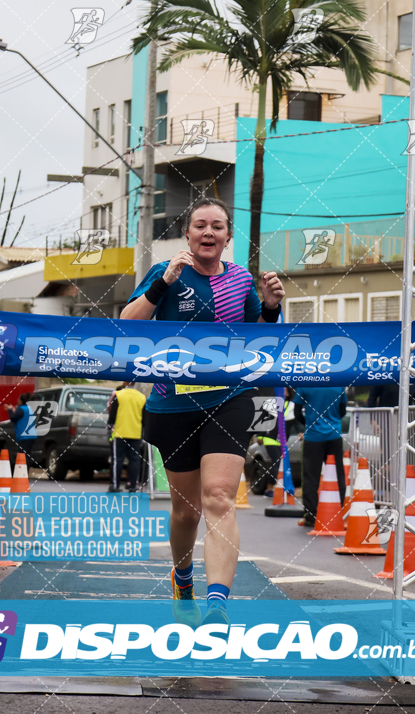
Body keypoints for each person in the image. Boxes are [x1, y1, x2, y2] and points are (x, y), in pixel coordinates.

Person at [121, 197, 285, 628]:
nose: (208, 232)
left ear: (228, 237)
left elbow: (260, 339)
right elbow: (127, 323)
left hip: (230, 399)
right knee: (186, 511)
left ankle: (217, 604)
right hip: (173, 404)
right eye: (199, 226)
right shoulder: (167, 273)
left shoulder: (239, 280)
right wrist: (161, 286)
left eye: (217, 226)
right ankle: (182, 576)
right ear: (187, 234)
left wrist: (269, 307)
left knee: (218, 498)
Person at [293, 386, 348, 527]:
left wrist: (309, 423)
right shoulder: (338, 385)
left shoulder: (304, 385)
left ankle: (310, 516)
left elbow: (297, 412)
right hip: (334, 435)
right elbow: (343, 411)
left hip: (313, 437)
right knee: (338, 475)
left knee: (310, 477)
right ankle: (336, 512)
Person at [107, 382, 146, 493]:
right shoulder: (142, 397)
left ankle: (115, 485)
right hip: (135, 433)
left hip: (120, 432)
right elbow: (144, 419)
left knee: (117, 460)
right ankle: (133, 486)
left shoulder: (119, 395)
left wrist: (109, 431)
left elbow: (112, 416)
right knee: (134, 460)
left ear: (124, 383)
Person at [4, 392, 37, 467]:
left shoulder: (21, 409)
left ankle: (23, 472)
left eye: (18, 399)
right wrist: (13, 409)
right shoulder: (28, 409)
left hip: (24, 437)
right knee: (27, 456)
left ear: (21, 401)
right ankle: (26, 472)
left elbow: (13, 418)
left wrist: (10, 410)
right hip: (32, 436)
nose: (17, 401)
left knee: (22, 456)